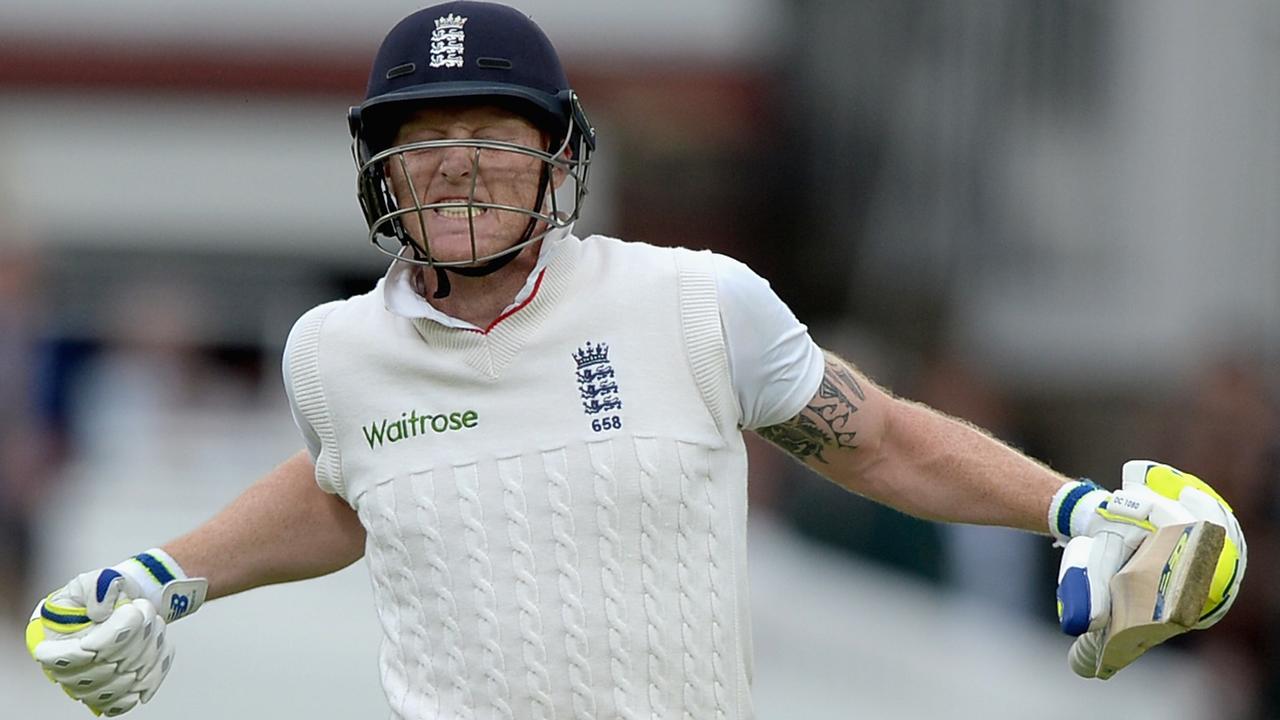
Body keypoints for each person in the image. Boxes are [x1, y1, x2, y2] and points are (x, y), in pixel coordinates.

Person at [25, 3, 1247, 718]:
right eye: (423, 143)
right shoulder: (331, 353)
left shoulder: (691, 302)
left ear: (559, 159)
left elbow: (872, 435)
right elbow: (349, 483)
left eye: (494, 140)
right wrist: (159, 576)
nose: (457, 168)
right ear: (378, 176)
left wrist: (1079, 507)